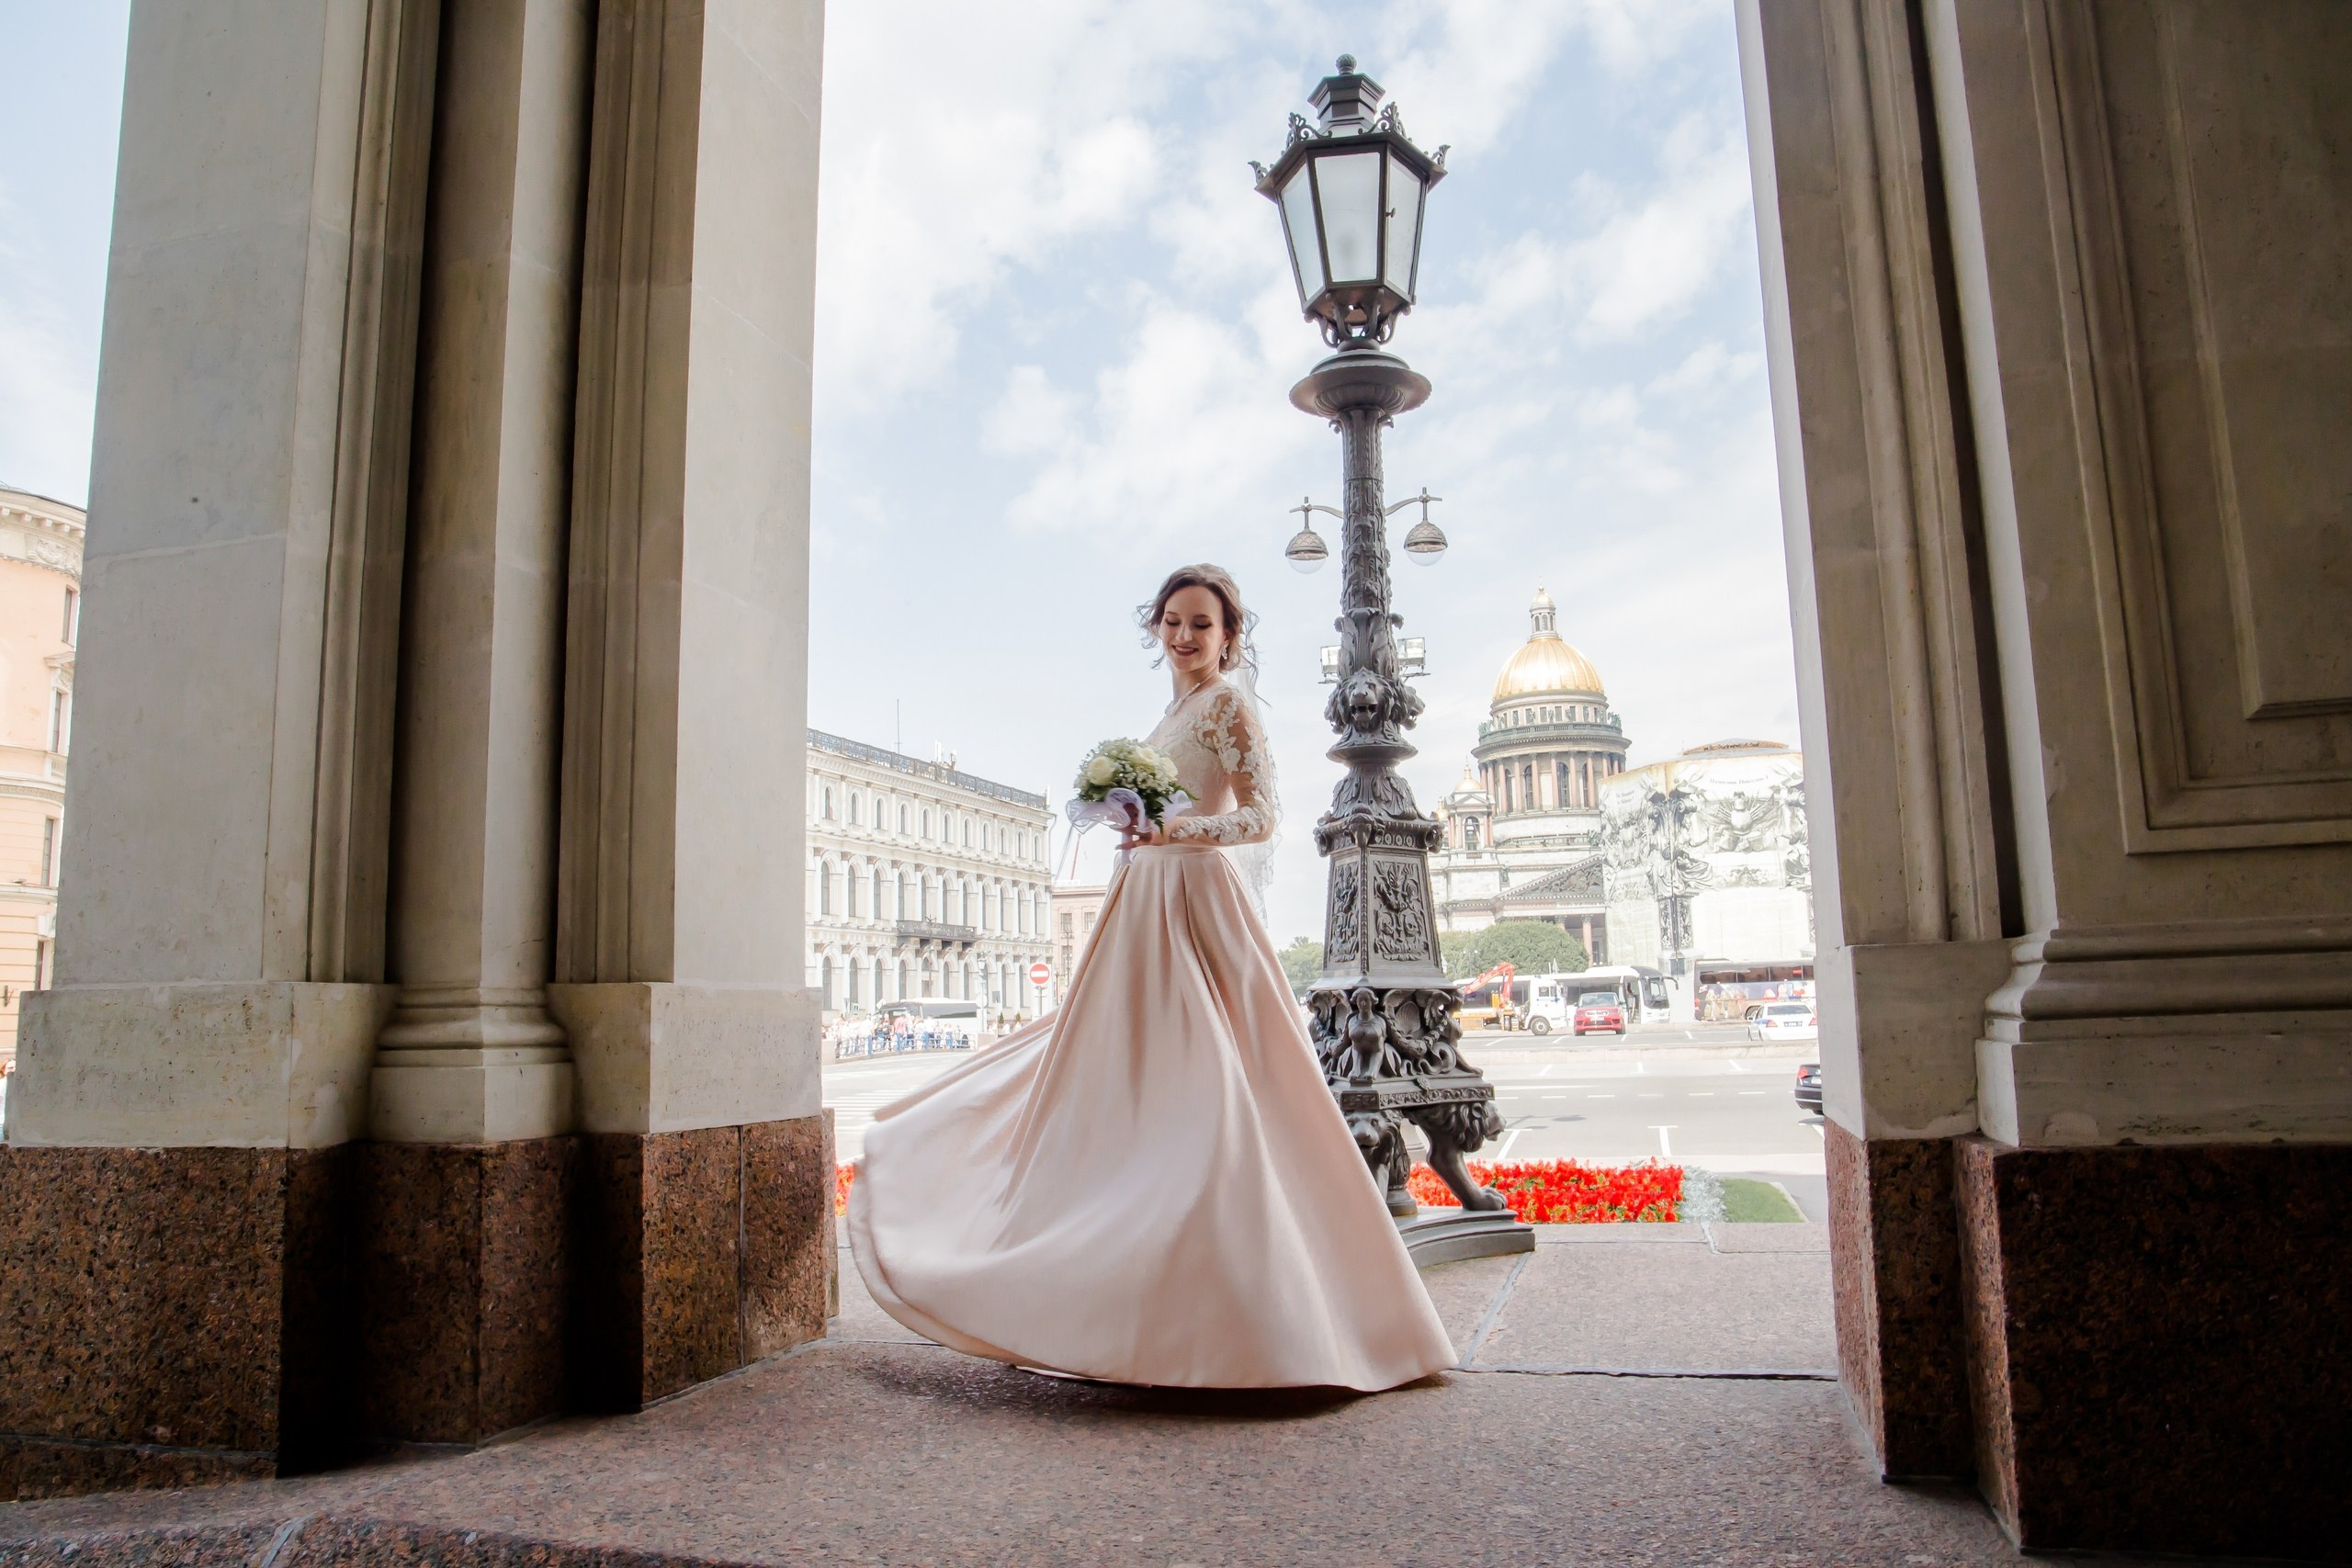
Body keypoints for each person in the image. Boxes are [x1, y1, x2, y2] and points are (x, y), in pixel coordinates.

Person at [849, 564, 1453, 1392]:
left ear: (1229, 637)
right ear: (1156, 628)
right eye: (1172, 621)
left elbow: (1261, 816)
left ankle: (1247, 1312)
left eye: (1201, 624)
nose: (1184, 636)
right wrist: (1130, 821)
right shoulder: (1172, 713)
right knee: (1122, 1077)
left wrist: (1173, 830)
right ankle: (1125, 1289)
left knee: (1212, 1087)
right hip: (1143, 901)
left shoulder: (1228, 704)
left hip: (1194, 903)